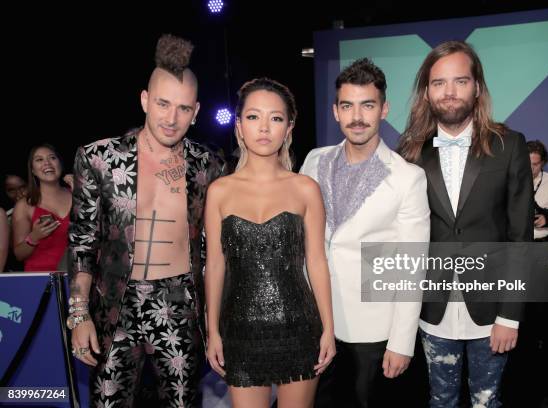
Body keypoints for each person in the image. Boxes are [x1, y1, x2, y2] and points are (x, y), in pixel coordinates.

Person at [68, 34, 225, 407]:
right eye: (162, 104)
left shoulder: (208, 164)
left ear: (197, 111)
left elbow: (217, 248)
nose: (171, 119)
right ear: (144, 100)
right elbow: (83, 241)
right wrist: (79, 315)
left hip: (180, 305)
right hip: (114, 306)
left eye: (184, 109)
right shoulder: (98, 159)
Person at [397, 40, 533, 407]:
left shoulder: (510, 145)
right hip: (432, 308)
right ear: (427, 92)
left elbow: (520, 238)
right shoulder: (408, 153)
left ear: (477, 87)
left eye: (460, 81)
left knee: (487, 401)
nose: (450, 92)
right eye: (439, 82)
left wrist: (511, 314)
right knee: (439, 401)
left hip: (492, 311)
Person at [301, 58, 430, 408]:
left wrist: (401, 342)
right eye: (348, 106)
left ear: (384, 109)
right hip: (317, 323)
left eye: (367, 105)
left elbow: (411, 266)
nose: (357, 116)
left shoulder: (408, 178)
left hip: (373, 332)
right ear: (335, 111)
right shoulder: (314, 161)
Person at [205, 77, 335, 408]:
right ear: (239, 125)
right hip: (239, 331)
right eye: (253, 117)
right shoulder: (220, 191)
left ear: (288, 127)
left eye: (275, 118)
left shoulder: (306, 188)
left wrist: (328, 330)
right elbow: (215, 265)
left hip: (299, 327)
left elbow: (317, 262)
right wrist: (213, 332)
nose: (264, 127)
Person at [11, 144, 71, 272]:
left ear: (60, 164)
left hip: (80, 279)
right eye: (39, 160)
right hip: (40, 280)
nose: (47, 163)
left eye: (52, 158)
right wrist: (34, 237)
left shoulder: (78, 194)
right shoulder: (24, 205)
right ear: (32, 170)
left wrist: (82, 191)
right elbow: (19, 254)